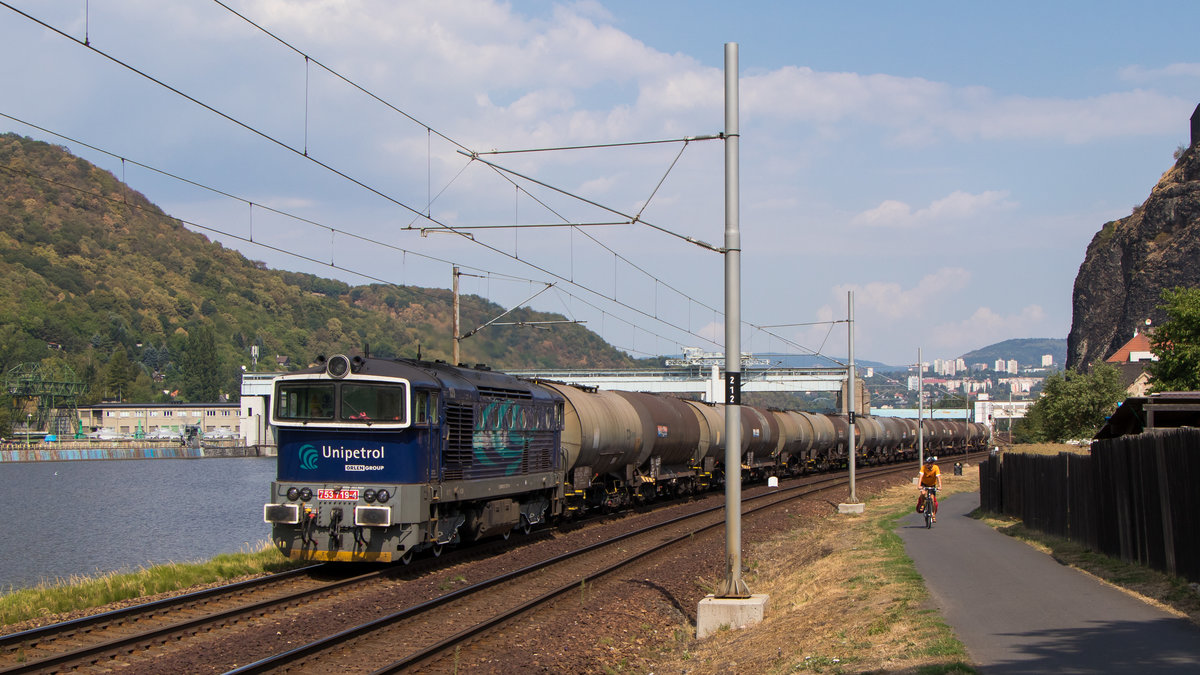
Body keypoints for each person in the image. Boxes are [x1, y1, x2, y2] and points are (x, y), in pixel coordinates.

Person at [918, 455, 942, 522]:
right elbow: (921, 476)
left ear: (932, 464)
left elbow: (938, 477)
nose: (927, 465)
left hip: (932, 485)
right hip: (924, 483)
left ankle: (933, 515)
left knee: (932, 499)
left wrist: (940, 486)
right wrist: (919, 485)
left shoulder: (936, 468)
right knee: (923, 493)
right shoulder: (923, 467)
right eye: (926, 463)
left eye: (928, 464)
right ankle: (922, 504)